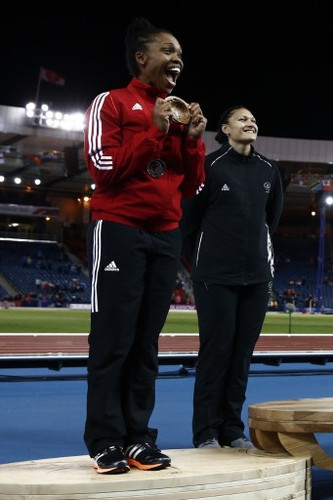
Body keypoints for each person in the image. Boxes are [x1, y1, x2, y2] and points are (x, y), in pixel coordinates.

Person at [83, 17, 207, 474]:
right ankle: (104, 439)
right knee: (113, 340)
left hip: (165, 235)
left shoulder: (176, 113)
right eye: (168, 50)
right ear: (142, 57)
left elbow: (191, 187)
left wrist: (192, 142)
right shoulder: (111, 102)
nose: (178, 59)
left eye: (180, 53)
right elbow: (103, 168)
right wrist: (154, 130)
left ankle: (138, 438)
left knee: (145, 344)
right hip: (118, 227)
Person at [180, 105, 284, 449]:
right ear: (224, 128)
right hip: (215, 277)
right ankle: (206, 432)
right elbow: (188, 220)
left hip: (256, 279)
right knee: (216, 353)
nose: (250, 122)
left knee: (241, 357)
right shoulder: (209, 166)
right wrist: (201, 264)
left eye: (254, 118)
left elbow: (271, 221)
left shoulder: (269, 170)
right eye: (242, 118)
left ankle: (231, 430)